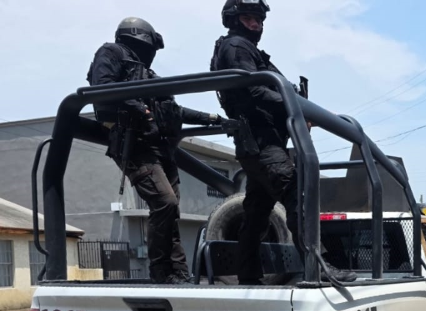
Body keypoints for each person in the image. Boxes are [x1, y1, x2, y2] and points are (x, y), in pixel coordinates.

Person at [210, 0, 355, 284]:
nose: (256, 24)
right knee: (298, 191)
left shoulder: (246, 50)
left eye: (259, 19)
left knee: (257, 212)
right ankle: (318, 267)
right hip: (262, 142)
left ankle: (249, 275)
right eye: (249, 18)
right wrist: (294, 105)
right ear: (234, 19)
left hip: (261, 142)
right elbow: (252, 92)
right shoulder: (237, 48)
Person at [88, 17, 224, 284]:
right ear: (141, 39)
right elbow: (102, 88)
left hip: (160, 148)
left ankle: (178, 273)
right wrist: (140, 109)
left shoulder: (148, 77)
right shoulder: (111, 53)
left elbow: (173, 111)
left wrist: (212, 118)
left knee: (171, 212)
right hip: (134, 144)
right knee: (165, 203)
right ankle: (161, 272)